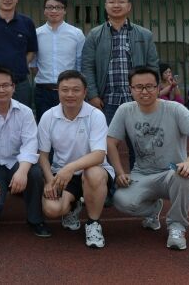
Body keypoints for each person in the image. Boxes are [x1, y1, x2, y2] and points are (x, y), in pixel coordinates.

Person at [107, 66, 189, 250]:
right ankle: (154, 208)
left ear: (158, 88)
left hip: (171, 171)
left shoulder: (174, 109)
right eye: (138, 87)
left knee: (184, 176)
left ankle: (177, 226)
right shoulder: (125, 110)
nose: (144, 91)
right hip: (142, 173)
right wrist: (120, 172)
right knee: (120, 200)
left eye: (149, 86)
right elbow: (110, 142)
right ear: (131, 89)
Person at [81, 0, 159, 169]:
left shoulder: (144, 35)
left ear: (129, 6)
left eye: (121, 1)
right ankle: (109, 183)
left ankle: (140, 182)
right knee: (105, 146)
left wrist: (150, 92)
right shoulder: (94, 35)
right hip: (106, 101)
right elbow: (87, 67)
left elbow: (153, 66)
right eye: (112, 1)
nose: (116, 5)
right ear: (105, 6)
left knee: (140, 146)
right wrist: (93, 95)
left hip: (137, 99)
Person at [0, 65, 50, 237]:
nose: (1, 90)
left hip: (15, 163)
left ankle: (35, 219)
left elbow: (30, 143)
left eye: (6, 85)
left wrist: (22, 171)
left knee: (34, 173)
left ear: (13, 87)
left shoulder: (25, 112)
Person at [38, 70, 114, 249]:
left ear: (85, 92)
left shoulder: (95, 115)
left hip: (93, 170)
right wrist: (49, 181)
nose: (70, 94)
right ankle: (73, 206)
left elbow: (99, 155)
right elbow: (43, 155)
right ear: (57, 91)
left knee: (93, 173)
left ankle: (93, 223)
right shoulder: (48, 116)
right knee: (52, 209)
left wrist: (70, 168)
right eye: (65, 90)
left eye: (76, 90)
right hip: (62, 174)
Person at [32, 0, 85, 121]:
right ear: (44, 10)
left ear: (64, 10)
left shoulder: (77, 34)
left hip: (70, 91)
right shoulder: (36, 34)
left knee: (71, 124)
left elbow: (80, 64)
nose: (54, 11)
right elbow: (33, 64)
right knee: (44, 126)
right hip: (43, 91)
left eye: (58, 7)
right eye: (50, 7)